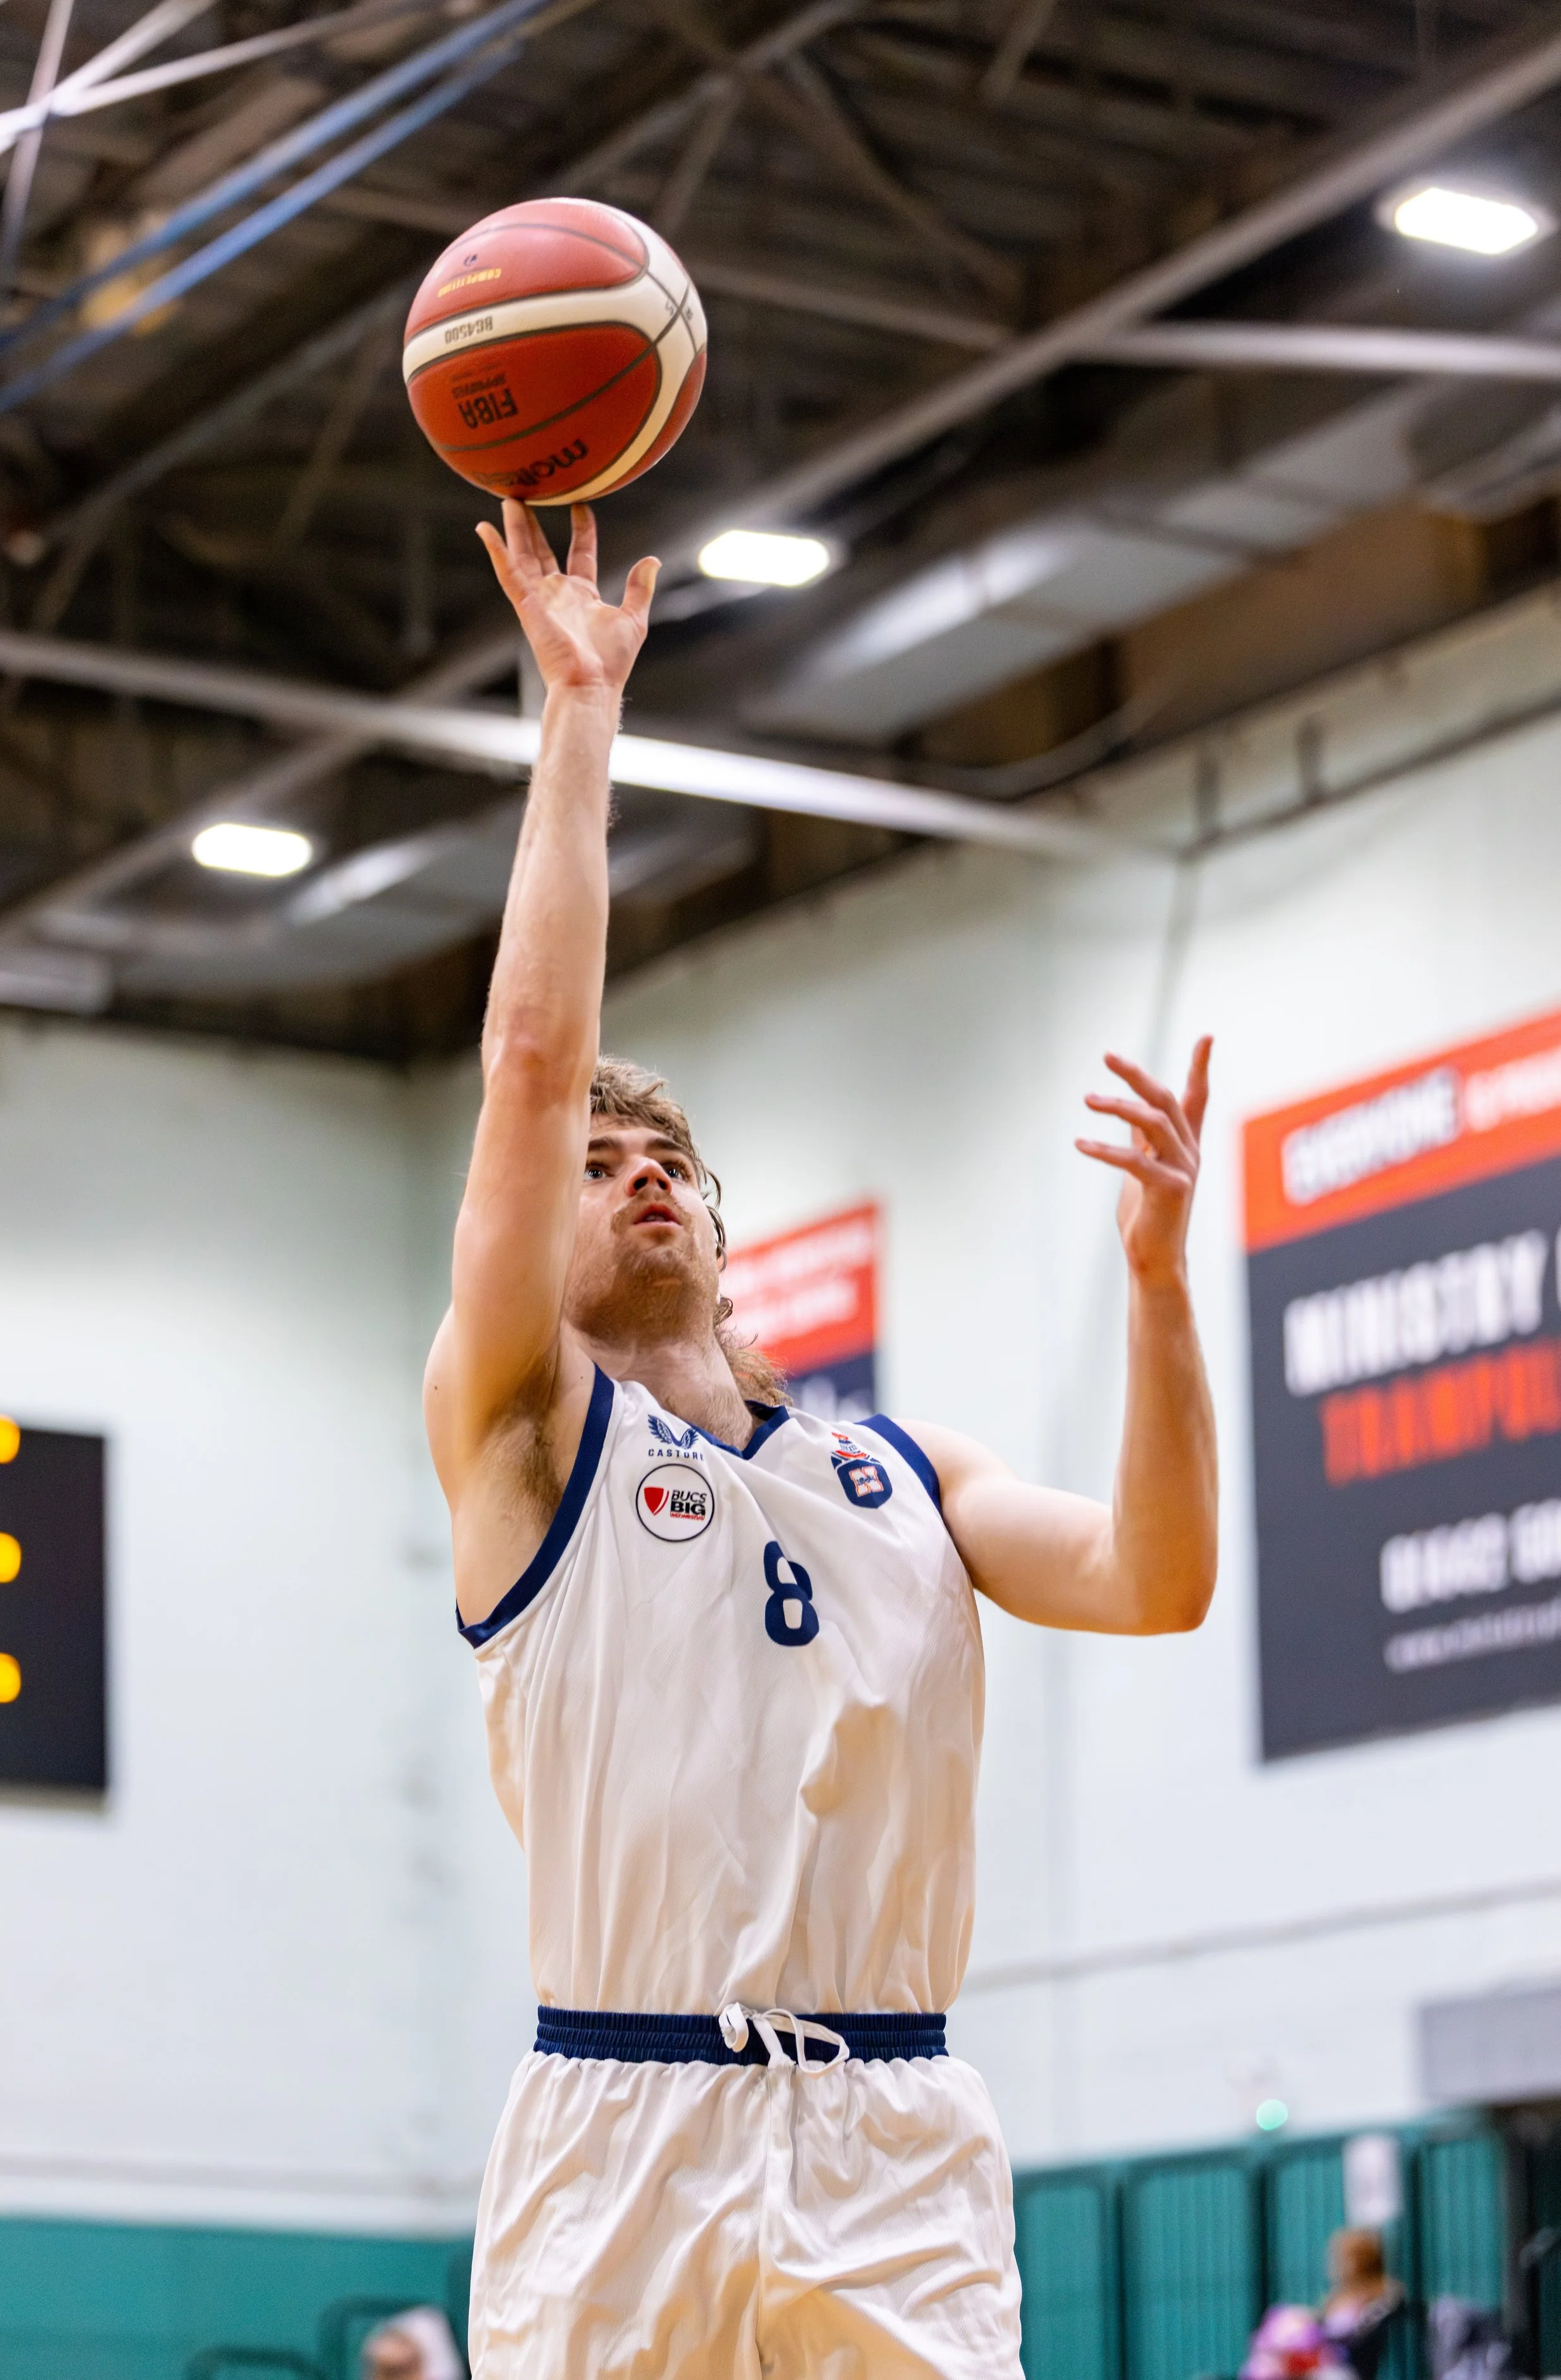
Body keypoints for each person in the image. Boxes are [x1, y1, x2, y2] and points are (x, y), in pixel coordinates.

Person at [424, 498, 1219, 2379]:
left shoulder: (908, 1478)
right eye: (594, 1167)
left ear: (716, 1221)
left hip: (888, 2137)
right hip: (616, 2125)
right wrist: (577, 719)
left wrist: (1160, 1289)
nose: (636, 1182)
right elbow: (531, 1062)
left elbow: (1154, 1580)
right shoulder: (524, 1438)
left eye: (667, 1165)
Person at [1323, 2229, 1405, 2380]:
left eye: (1347, 2258)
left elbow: (1367, 2335)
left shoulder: (1384, 2293)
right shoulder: (1337, 2296)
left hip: (1355, 2368)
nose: (1339, 2265)